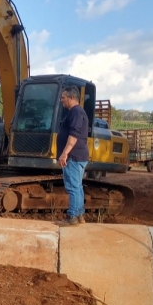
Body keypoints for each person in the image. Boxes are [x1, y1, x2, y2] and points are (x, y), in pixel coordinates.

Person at [56, 86, 89, 226]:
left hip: (73, 156)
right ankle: (80, 215)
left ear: (71, 97)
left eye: (63, 97)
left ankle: (73, 217)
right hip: (79, 155)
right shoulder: (77, 112)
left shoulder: (75, 112)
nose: (61, 100)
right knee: (78, 186)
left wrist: (64, 154)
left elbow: (74, 135)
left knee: (73, 187)